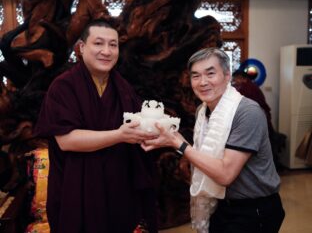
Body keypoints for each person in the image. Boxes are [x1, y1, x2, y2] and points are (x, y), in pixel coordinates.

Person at [142, 47, 285, 233]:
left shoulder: (247, 112)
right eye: (195, 76)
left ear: (227, 76)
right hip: (221, 203)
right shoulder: (203, 110)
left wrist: (179, 144)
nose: (202, 82)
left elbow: (226, 174)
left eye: (210, 74)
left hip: (253, 209)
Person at [34, 19, 158, 233]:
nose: (107, 51)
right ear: (82, 48)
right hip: (75, 191)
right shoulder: (63, 87)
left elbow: (141, 125)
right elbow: (67, 140)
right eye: (98, 43)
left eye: (113, 45)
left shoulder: (123, 87)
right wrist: (119, 135)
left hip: (118, 191)